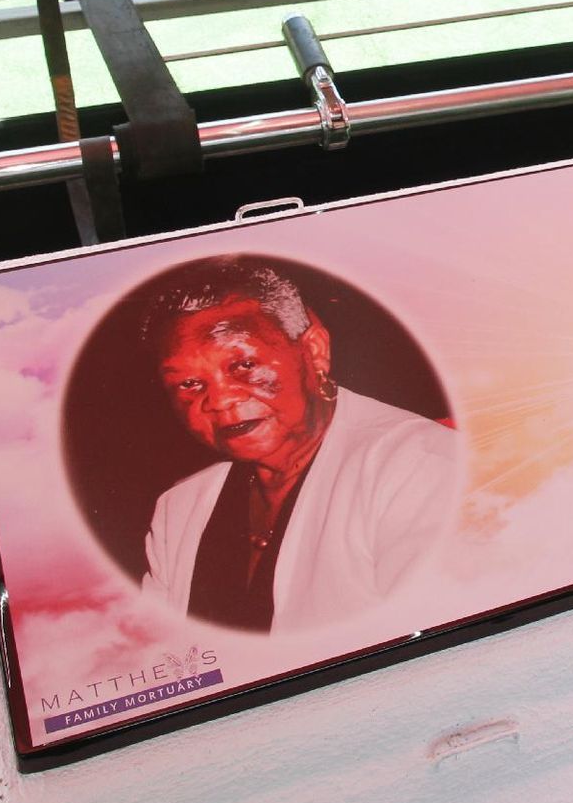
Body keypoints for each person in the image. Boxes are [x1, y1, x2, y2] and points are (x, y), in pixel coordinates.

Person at [137, 258, 458, 633]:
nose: (220, 401)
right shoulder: (178, 508)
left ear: (315, 350)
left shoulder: (419, 465)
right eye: (190, 385)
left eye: (243, 365)